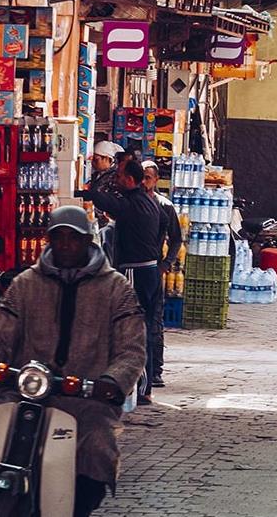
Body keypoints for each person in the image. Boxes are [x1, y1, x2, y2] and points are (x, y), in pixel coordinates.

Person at [0, 205, 146, 517]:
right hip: (25, 391)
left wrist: (112, 381)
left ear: (87, 242)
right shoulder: (26, 283)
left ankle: (78, 508)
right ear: (48, 240)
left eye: (73, 238)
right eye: (58, 237)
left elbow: (132, 348)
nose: (65, 244)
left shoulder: (116, 288)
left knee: (97, 446)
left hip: (85, 397)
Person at [82, 158, 164, 404]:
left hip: (135, 270)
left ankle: (138, 387)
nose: (117, 180)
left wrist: (93, 186)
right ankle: (144, 387)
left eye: (119, 176)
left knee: (134, 328)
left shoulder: (132, 205)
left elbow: (101, 199)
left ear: (130, 180)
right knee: (145, 326)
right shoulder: (149, 202)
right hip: (150, 270)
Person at [141, 160, 182, 389]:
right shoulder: (133, 203)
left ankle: (155, 370)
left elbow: (177, 238)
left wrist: (166, 263)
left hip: (154, 268)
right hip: (134, 268)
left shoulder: (164, 206)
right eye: (142, 177)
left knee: (155, 320)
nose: (145, 182)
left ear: (156, 180)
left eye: (148, 177)